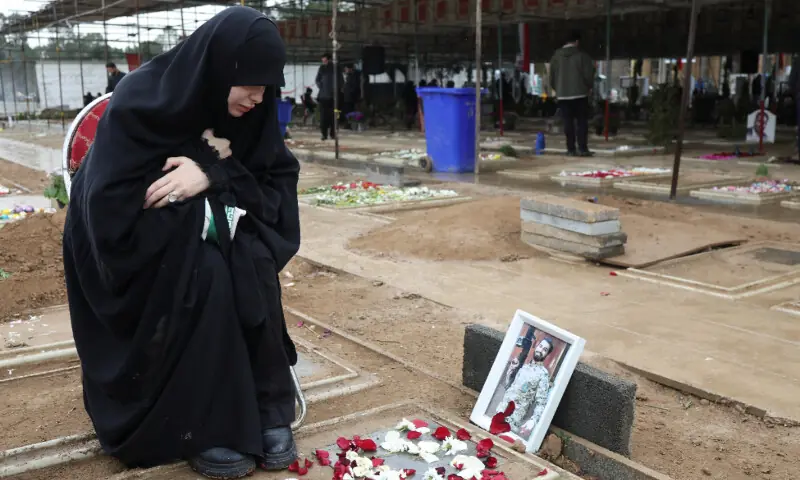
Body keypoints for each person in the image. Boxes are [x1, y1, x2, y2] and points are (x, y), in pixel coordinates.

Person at [62, 7, 300, 479]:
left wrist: (212, 173)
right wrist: (206, 178)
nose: (258, 98)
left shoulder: (252, 112)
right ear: (220, 65)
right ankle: (201, 421)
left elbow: (275, 184)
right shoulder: (142, 99)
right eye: (249, 83)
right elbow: (111, 210)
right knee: (205, 267)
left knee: (247, 257)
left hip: (207, 227)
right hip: (128, 245)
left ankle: (266, 402)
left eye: (267, 87)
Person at [549, 31, 595, 157]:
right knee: (581, 122)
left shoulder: (556, 57)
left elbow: (551, 77)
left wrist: (558, 88)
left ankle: (570, 149)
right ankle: (582, 148)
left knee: (568, 123)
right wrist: (589, 87)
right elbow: (588, 75)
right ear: (577, 42)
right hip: (580, 94)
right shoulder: (582, 56)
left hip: (563, 95)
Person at [496, 338, 554, 437]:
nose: (540, 350)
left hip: (513, 420)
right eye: (540, 346)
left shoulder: (543, 374)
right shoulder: (524, 367)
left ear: (547, 354)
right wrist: (510, 371)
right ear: (536, 346)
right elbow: (510, 388)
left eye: (544, 349)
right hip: (501, 411)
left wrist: (534, 420)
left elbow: (541, 402)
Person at [315, 52, 342, 140]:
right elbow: (317, 80)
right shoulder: (322, 68)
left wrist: (337, 90)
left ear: (329, 59)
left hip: (333, 96)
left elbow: (341, 81)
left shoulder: (336, 68)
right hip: (323, 96)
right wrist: (321, 86)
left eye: (325, 60)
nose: (324, 62)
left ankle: (332, 134)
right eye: (323, 60)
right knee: (324, 116)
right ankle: (324, 134)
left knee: (333, 116)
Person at [342, 64, 361, 128]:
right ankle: (348, 124)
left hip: (350, 97)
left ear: (350, 69)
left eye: (346, 69)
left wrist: (349, 92)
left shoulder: (354, 76)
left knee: (349, 111)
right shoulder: (349, 76)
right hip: (347, 97)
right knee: (348, 111)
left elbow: (355, 87)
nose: (345, 70)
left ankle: (349, 124)